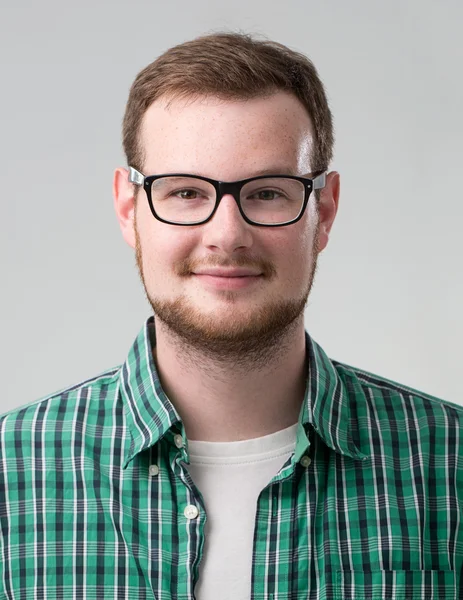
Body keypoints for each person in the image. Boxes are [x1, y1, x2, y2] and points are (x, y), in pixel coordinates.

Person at [0, 31, 461, 600]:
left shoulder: (451, 462)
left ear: (325, 209)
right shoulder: (9, 472)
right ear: (128, 208)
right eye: (186, 192)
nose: (228, 235)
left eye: (268, 192)